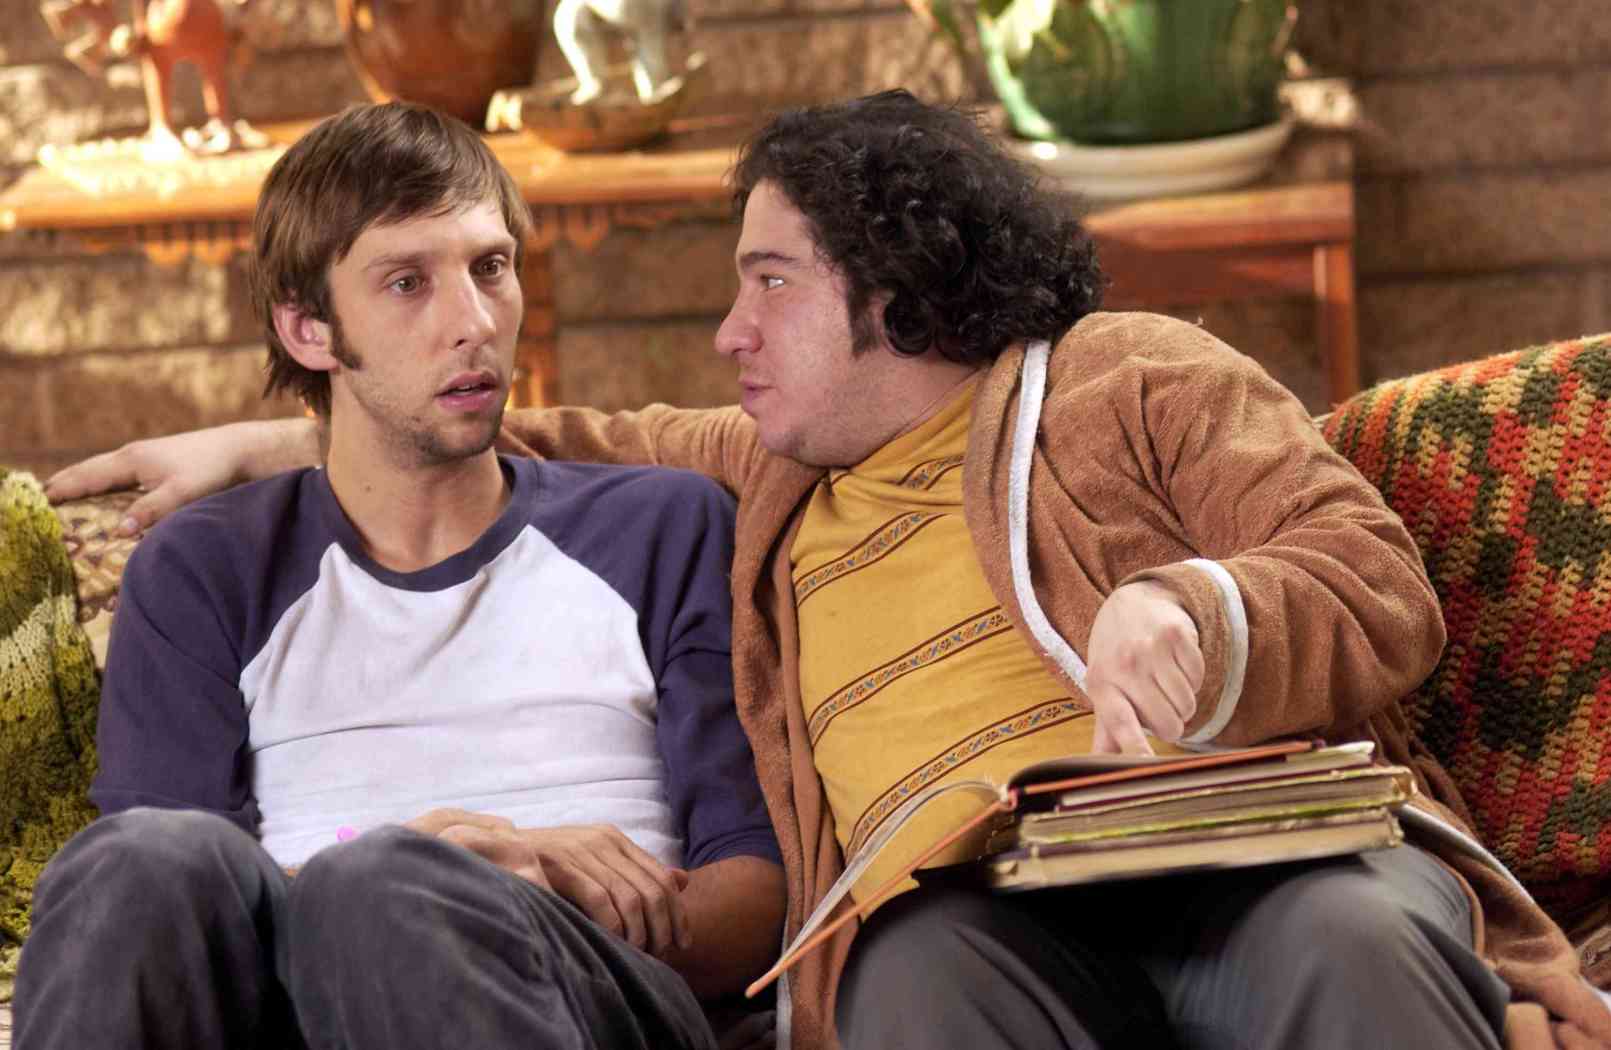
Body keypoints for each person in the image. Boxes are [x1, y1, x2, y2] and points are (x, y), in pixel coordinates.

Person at [44, 91, 1611, 1050]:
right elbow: (504, 434)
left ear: (892, 290)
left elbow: (1368, 574)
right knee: (908, 989)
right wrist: (269, 439)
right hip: (964, 913)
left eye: (767, 284)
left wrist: (1193, 608)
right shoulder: (759, 471)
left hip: (1239, 852)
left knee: (1343, 943)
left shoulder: (1129, 376)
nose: (728, 333)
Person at [15, 101, 786, 1050]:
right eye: (407, 283)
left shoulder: (660, 525)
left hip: (593, 994)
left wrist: (525, 884)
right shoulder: (208, 568)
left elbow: (752, 903)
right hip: (299, 1003)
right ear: (308, 330)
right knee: (144, 859)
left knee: (384, 887)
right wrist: (445, 861)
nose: (473, 322)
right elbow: (158, 915)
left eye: (490, 268)